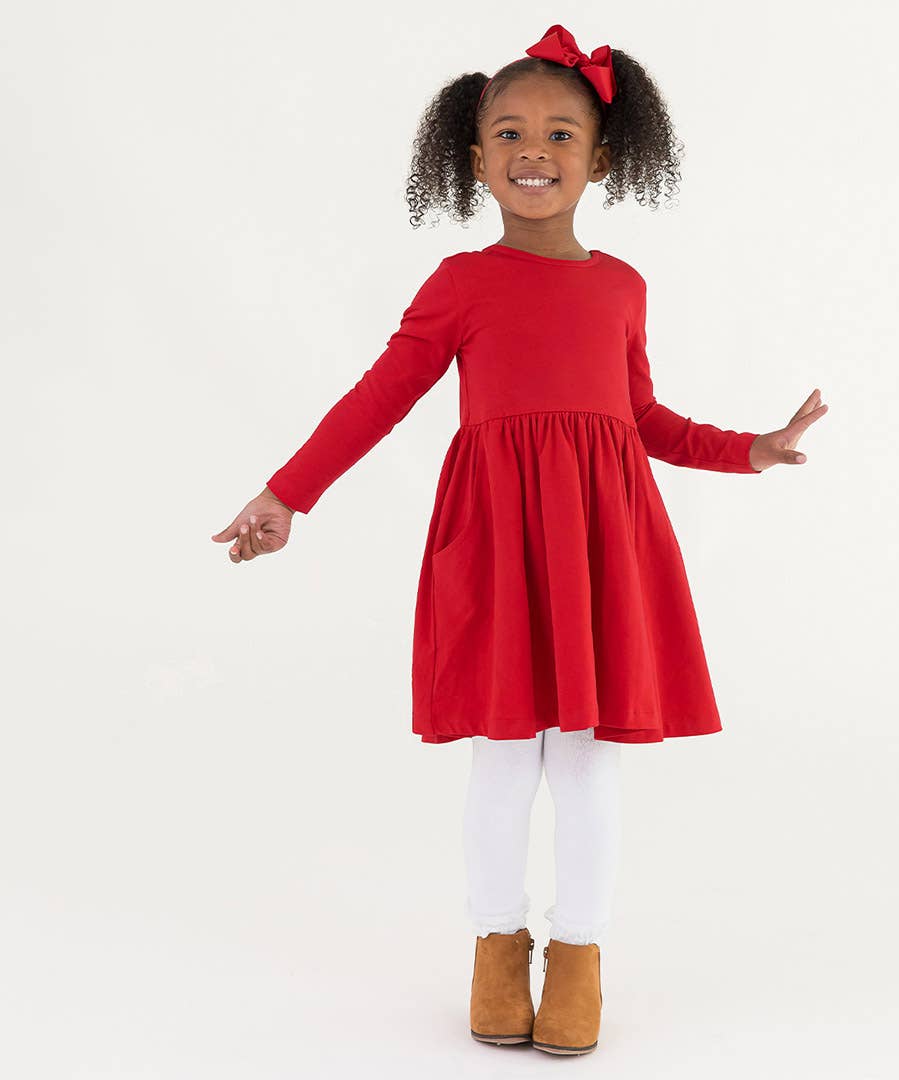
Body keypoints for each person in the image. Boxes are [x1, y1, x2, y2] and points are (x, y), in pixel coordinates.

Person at [210, 23, 827, 1056]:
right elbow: (379, 398)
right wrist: (288, 493)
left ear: (602, 160)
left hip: (600, 546)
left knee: (585, 761)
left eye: (559, 133)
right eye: (508, 132)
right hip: (498, 542)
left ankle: (578, 957)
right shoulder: (461, 283)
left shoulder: (623, 286)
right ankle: (497, 952)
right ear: (475, 157)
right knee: (502, 758)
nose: (532, 149)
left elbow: (643, 420)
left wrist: (750, 450)